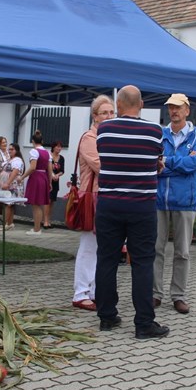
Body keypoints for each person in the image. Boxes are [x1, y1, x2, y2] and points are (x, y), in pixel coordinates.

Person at [94, 85, 168, 339]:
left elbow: (108, 159)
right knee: (143, 262)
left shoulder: (104, 130)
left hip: (109, 204)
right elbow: (157, 161)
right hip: (142, 206)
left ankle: (106, 317)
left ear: (118, 104)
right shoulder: (155, 131)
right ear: (142, 105)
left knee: (106, 259)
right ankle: (144, 323)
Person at [154, 93, 196, 314]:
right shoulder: (160, 135)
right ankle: (155, 294)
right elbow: (154, 166)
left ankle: (178, 296)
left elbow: (193, 164)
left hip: (185, 201)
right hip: (160, 200)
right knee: (155, 249)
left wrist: (167, 163)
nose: (173, 111)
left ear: (187, 110)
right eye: (170, 107)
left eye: (177, 107)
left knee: (182, 252)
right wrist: (178, 166)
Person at [71, 95, 114, 312]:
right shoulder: (90, 138)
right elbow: (102, 166)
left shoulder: (109, 137)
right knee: (89, 246)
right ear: (95, 116)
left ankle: (94, 291)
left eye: (111, 112)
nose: (109, 116)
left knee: (101, 247)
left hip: (106, 196)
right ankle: (80, 293)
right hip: (93, 197)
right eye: (104, 113)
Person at [21, 130, 52, 235]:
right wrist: (49, 182)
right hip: (44, 177)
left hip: (36, 178)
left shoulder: (34, 151)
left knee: (36, 205)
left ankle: (37, 229)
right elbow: (50, 169)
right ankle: (37, 228)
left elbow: (33, 167)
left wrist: (22, 177)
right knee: (38, 204)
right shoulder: (47, 153)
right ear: (42, 141)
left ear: (33, 141)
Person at [0, 142, 25, 230]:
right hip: (10, 184)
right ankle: (9, 223)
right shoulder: (10, 159)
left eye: (12, 149)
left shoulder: (17, 160)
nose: (10, 151)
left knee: (8, 204)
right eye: (9, 149)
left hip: (12, 185)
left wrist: (7, 183)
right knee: (10, 204)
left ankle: (5, 223)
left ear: (16, 150)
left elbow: (15, 171)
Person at [46, 141, 65, 229]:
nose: (59, 148)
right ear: (53, 147)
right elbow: (46, 168)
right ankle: (45, 221)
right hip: (48, 180)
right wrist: (52, 175)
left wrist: (57, 175)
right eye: (57, 146)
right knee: (48, 201)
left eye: (60, 147)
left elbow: (62, 171)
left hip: (56, 182)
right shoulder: (48, 156)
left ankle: (49, 220)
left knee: (52, 201)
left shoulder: (62, 158)